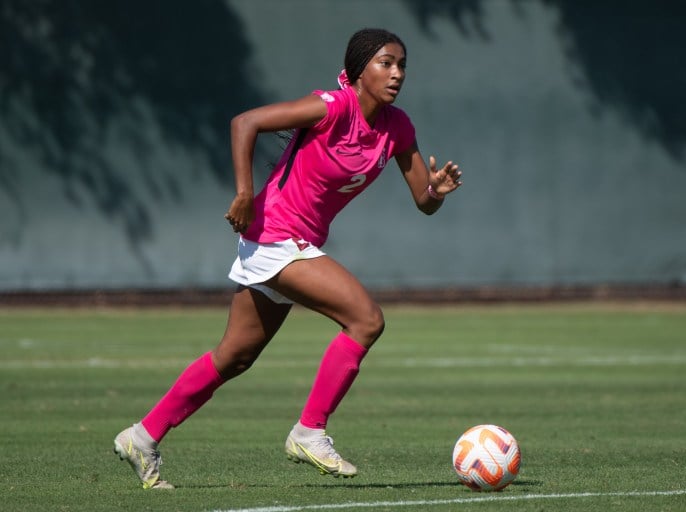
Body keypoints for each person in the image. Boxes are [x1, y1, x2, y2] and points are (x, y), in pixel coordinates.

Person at [113, 27, 463, 490]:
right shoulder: (332, 106)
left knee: (235, 356)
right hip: (275, 236)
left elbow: (423, 199)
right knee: (366, 320)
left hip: (296, 242)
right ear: (359, 71)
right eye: (385, 63)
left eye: (402, 65)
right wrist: (243, 193)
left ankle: (142, 436)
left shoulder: (397, 128)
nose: (396, 73)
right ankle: (309, 431)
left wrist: (436, 191)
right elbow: (245, 122)